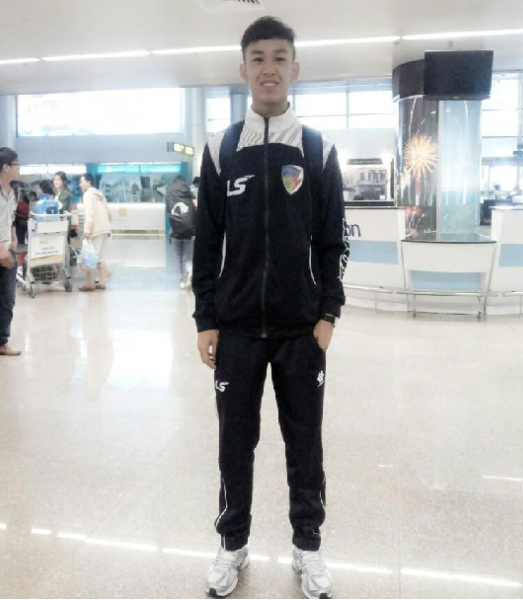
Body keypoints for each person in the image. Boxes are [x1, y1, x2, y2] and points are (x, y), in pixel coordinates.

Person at [193, 17, 349, 600]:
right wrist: (206, 318)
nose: (268, 68)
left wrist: (327, 315)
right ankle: (232, 544)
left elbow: (332, 241)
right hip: (236, 330)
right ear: (243, 69)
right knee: (235, 445)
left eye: (279, 57)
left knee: (304, 443)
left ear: (295, 69)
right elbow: (206, 243)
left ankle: (308, 546)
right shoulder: (221, 149)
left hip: (299, 331)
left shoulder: (317, 149)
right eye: (258, 57)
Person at [0, 147, 22, 356]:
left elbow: (10, 219)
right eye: (16, 164)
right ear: (6, 167)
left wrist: (13, 238)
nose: (19, 168)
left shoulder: (14, 191)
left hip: (7, 251)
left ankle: (2, 342)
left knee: (7, 299)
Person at [79, 173, 112, 292]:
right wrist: (108, 226)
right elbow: (108, 212)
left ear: (88, 182)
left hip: (96, 229)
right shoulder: (99, 194)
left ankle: (90, 283)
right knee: (100, 256)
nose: (80, 184)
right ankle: (101, 282)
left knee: (90, 256)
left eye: (82, 182)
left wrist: (87, 230)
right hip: (105, 228)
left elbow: (89, 213)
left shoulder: (88, 195)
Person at [166, 175, 196, 290]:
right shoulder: (189, 192)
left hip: (175, 231)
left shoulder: (170, 193)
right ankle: (190, 272)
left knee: (178, 258)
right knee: (188, 257)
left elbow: (168, 210)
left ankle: (181, 280)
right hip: (189, 231)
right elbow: (196, 207)